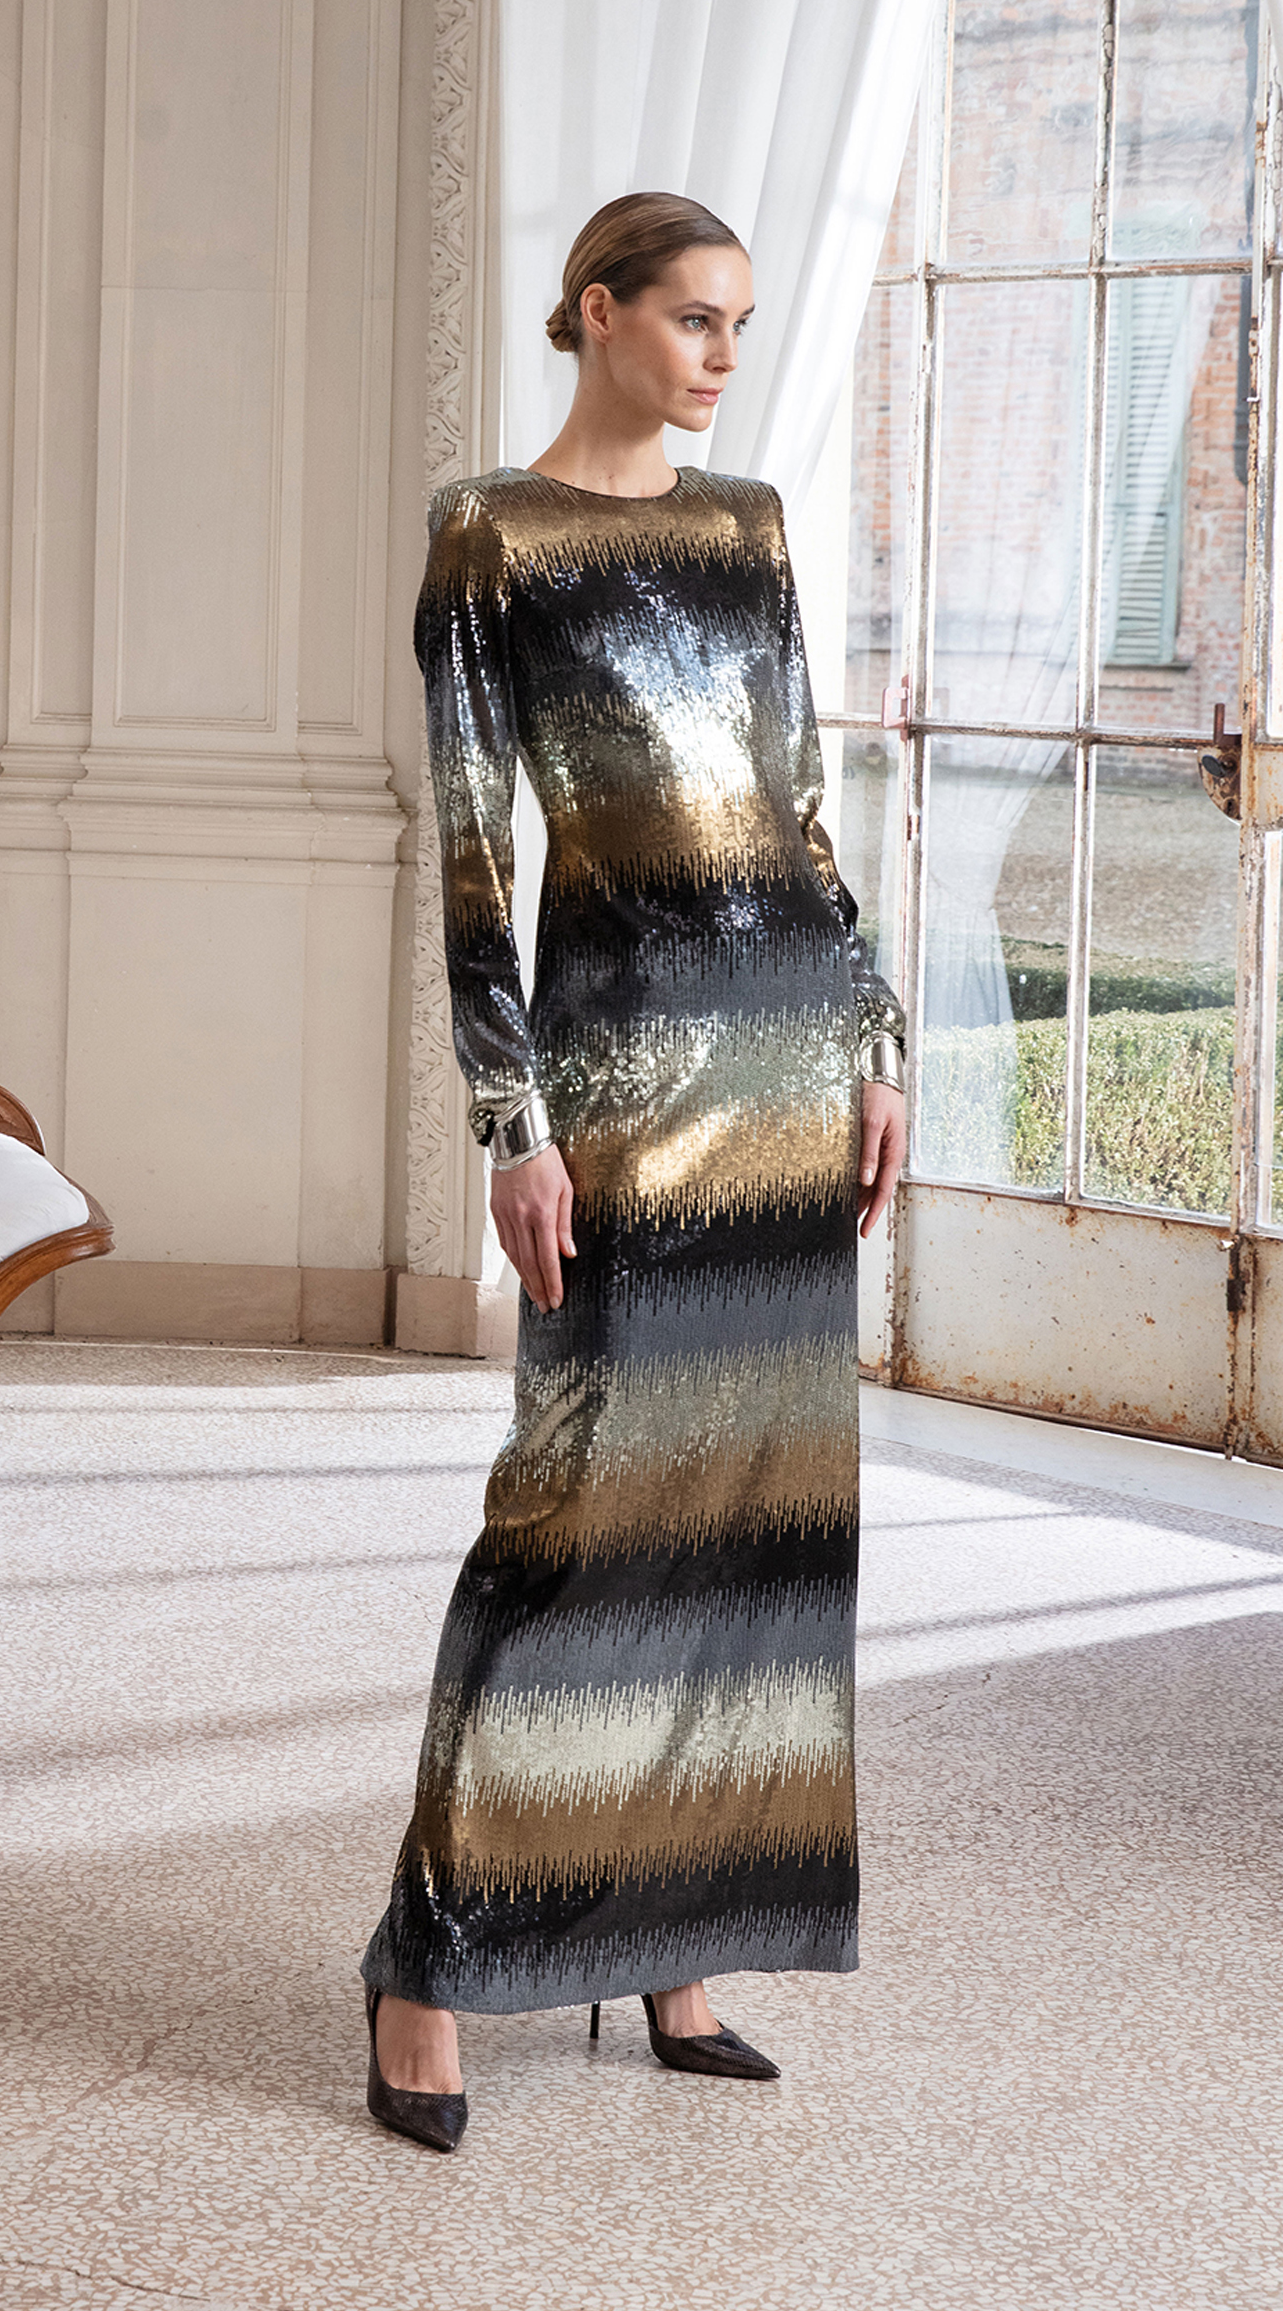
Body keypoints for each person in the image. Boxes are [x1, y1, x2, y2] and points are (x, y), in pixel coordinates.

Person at [361, 191, 907, 2152]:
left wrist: (873, 1035)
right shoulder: (490, 535)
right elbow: (473, 855)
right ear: (595, 312)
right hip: (617, 1081)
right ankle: (426, 1968)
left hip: (783, 1062)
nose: (722, 356)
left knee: (751, 1517)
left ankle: (682, 1939)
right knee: (575, 1518)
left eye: (739, 324)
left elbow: (800, 807)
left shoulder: (748, 527)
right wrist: (510, 1121)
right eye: (692, 318)